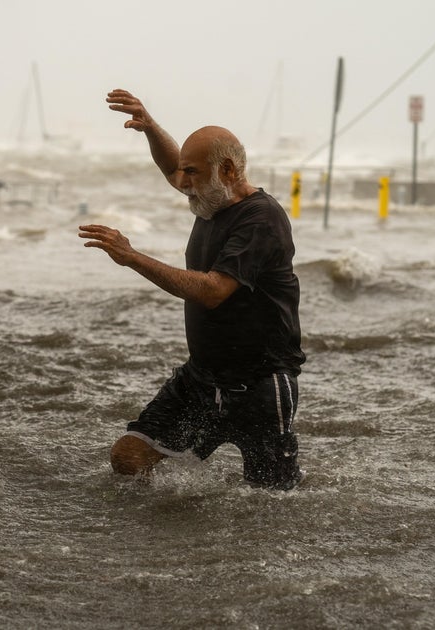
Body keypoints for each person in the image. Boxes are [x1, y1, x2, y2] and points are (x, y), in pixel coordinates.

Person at [78, 89, 306, 490]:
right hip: (201, 380)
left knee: (272, 502)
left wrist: (132, 257)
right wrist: (150, 127)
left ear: (230, 171)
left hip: (260, 385)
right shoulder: (209, 198)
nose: (183, 182)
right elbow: (172, 168)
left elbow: (213, 290)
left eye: (194, 173)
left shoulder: (261, 219)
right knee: (129, 457)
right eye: (185, 173)